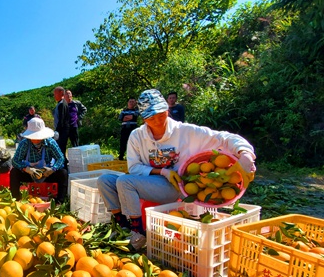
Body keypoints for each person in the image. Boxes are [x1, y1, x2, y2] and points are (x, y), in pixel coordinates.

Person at [97, 89, 256, 250]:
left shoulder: (185, 132)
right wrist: (163, 172)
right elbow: (133, 167)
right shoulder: (137, 136)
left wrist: (245, 154)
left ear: (167, 111)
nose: (158, 122)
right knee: (105, 180)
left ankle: (138, 233)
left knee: (125, 181)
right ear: (144, 119)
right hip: (151, 181)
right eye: (152, 118)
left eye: (161, 115)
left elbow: (225, 138)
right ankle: (124, 227)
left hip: (175, 187)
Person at [10, 117, 68, 204]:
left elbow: (61, 158)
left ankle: (59, 202)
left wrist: (53, 169)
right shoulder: (24, 143)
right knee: (14, 172)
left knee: (63, 173)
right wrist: (26, 169)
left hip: (46, 173)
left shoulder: (50, 143)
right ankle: (16, 200)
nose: (35, 139)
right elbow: (15, 161)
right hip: (30, 173)